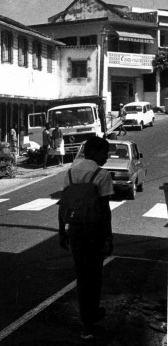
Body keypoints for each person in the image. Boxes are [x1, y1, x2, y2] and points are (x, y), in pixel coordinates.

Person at [58, 136, 113, 341]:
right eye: (104, 153)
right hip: (95, 231)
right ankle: (91, 316)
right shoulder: (102, 174)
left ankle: (86, 322)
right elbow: (105, 209)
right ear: (94, 153)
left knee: (82, 276)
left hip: (76, 231)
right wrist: (108, 237)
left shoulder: (70, 173)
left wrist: (61, 231)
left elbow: (64, 205)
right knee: (95, 275)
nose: (106, 157)